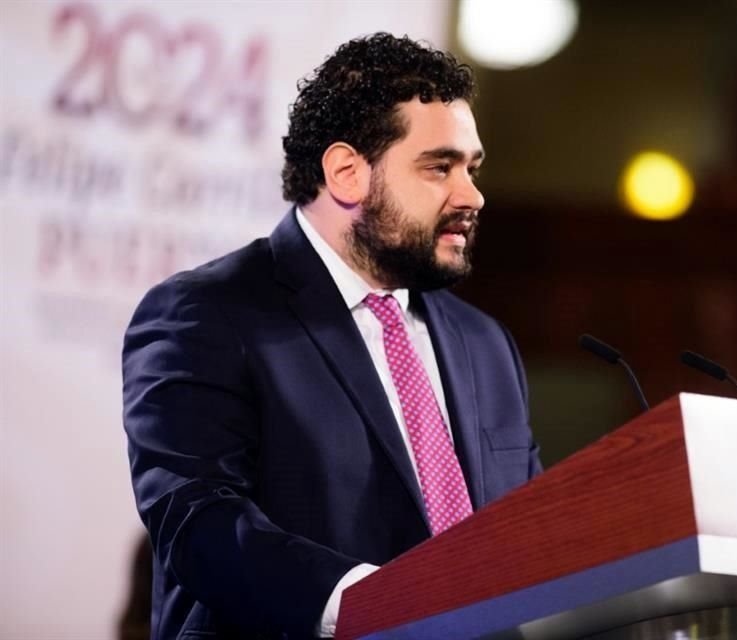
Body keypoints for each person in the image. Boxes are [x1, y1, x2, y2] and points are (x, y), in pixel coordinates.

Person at [122, 32, 541, 639]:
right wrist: (376, 603)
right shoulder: (208, 313)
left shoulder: (486, 345)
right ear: (347, 173)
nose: (472, 194)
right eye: (439, 167)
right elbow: (198, 524)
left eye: (472, 168)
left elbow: (521, 533)